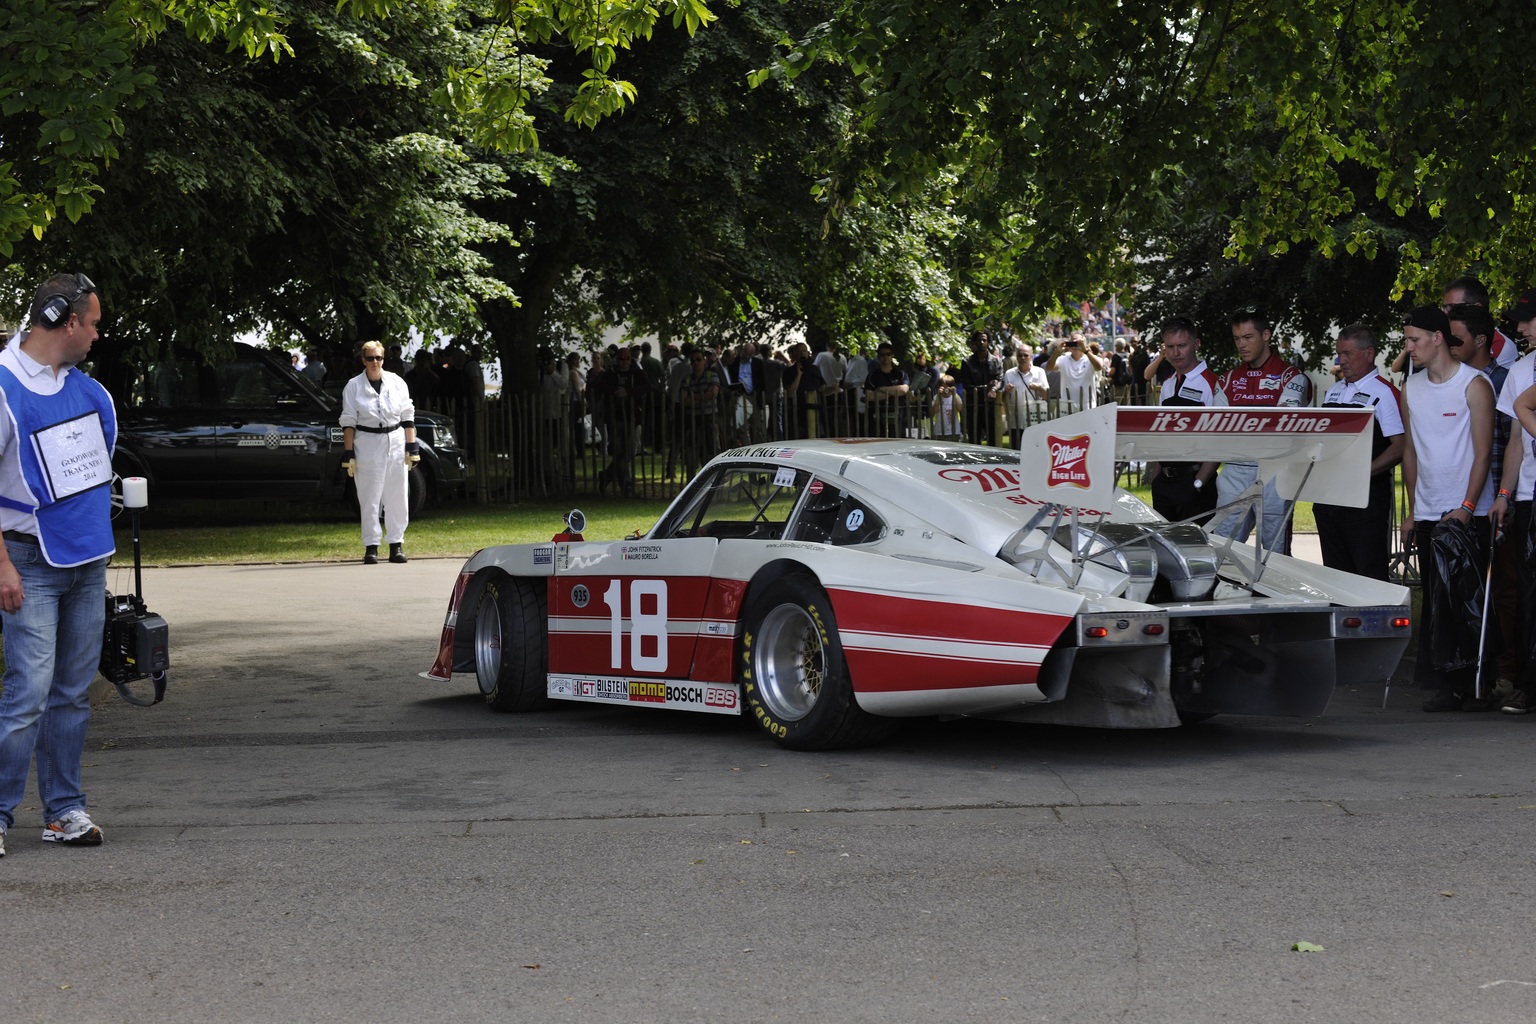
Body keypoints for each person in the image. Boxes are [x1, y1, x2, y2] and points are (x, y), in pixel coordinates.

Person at [0, 272, 116, 856]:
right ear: (65, 321)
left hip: (88, 562)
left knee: (71, 692)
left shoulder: (93, 393)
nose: (97, 334)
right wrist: (2, 565)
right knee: (28, 694)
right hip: (26, 561)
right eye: (92, 323)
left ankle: (63, 810)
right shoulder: (1, 387)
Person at [1399, 306, 1494, 712]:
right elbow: (1411, 451)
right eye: (1406, 340)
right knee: (1438, 601)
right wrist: (1412, 509)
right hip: (1428, 510)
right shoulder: (1412, 389)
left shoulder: (1474, 385)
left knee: (1469, 601)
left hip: (1466, 512)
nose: (1409, 348)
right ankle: (1447, 684)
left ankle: (1479, 685)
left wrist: (1468, 506)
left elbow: (1484, 452)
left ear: (1438, 337)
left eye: (1414, 340)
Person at [1213, 307, 1310, 552]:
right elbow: (1219, 428)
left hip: (1275, 470)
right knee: (1225, 549)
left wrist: (1242, 421)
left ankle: (1273, 593)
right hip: (1235, 470)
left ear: (1266, 335)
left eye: (1248, 337)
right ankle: (1229, 590)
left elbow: (1282, 427)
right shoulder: (1226, 380)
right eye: (1237, 339)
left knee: (1274, 553)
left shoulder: (1291, 377)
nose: (1241, 345)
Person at [1313, 325, 1404, 581]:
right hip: (1328, 499)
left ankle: (1373, 621)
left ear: (1369, 353)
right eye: (1338, 353)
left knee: (1368, 575)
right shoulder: (1333, 391)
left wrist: (1362, 473)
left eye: (1347, 354)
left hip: (1365, 502)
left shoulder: (1385, 393)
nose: (1341, 360)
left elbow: (1401, 446)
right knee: (1335, 576)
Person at [1495, 288, 1536, 713]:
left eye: (1527, 319)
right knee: (1527, 594)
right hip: (1528, 498)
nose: (1520, 328)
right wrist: (1505, 493)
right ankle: (1526, 683)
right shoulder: (1521, 371)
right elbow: (1515, 441)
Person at [340, 340, 418, 564]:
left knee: (397, 494)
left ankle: (396, 544)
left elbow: (407, 414)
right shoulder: (353, 386)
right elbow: (348, 421)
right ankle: (371, 546)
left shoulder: (396, 382)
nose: (375, 362)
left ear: (383, 359)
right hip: (367, 442)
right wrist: (349, 454)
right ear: (363, 360)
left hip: (394, 439)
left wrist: (411, 447)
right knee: (369, 495)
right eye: (370, 358)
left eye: (379, 358)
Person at [1145, 317, 1224, 523]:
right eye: (1170, 347)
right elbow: (1162, 434)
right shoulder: (1168, 384)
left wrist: (1198, 483)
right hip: (1165, 483)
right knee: (1165, 548)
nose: (1175, 353)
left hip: (1195, 481)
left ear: (1196, 344)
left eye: (1182, 345)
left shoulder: (1212, 384)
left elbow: (1219, 439)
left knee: (1197, 551)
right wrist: (1156, 476)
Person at [1443, 275, 1518, 370]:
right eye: (1444, 307)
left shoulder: (1502, 346)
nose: (1445, 312)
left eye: (1452, 307)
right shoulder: (1440, 337)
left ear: (1477, 307)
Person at [1001, 342, 1048, 447]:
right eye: (1020, 355)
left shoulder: (1039, 372)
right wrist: (1006, 391)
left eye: (1026, 355)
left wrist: (1039, 387)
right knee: (1016, 449)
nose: (1023, 358)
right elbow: (1003, 400)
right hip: (1015, 420)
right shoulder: (1009, 373)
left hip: (1035, 419)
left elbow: (1046, 396)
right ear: (1016, 357)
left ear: (1031, 356)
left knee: (1035, 448)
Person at [864, 343, 909, 438]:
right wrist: (894, 392)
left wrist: (881, 389)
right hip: (878, 419)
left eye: (888, 354)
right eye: (882, 354)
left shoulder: (900, 374)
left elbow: (904, 390)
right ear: (878, 357)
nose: (886, 357)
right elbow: (869, 396)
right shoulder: (873, 376)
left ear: (892, 356)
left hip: (898, 417)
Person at [931, 373, 964, 440]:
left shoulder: (956, 397)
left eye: (948, 388)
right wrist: (939, 395)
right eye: (944, 388)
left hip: (954, 431)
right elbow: (934, 410)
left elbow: (960, 408)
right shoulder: (936, 397)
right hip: (940, 431)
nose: (946, 391)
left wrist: (954, 394)